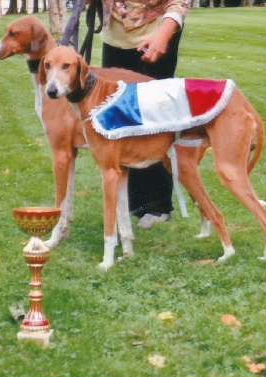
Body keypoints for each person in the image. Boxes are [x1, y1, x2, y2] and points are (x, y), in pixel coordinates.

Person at [100, 0, 190, 229]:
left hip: (156, 33)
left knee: (152, 117)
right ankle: (133, 202)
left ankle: (157, 205)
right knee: (120, 117)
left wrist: (164, 34)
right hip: (115, 38)